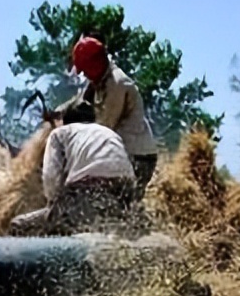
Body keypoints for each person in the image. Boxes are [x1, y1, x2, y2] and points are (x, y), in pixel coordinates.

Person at [49, 37, 159, 198]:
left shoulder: (117, 84)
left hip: (137, 157)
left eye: (86, 69)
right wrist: (58, 112)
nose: (85, 74)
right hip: (120, 153)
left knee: (114, 202)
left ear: (96, 63)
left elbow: (104, 128)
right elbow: (80, 100)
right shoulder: (98, 79)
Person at [10, 102, 136, 236]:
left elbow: (50, 176)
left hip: (86, 192)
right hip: (123, 193)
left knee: (18, 225)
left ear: (66, 121)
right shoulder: (109, 133)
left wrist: (53, 203)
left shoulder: (60, 133)